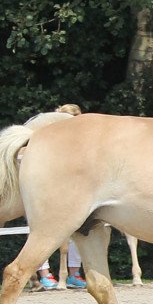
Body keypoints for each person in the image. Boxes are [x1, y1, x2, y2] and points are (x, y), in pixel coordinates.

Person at [37, 103, 87, 290]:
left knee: (78, 229)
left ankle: (74, 273)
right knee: (42, 231)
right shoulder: (51, 139)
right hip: (50, 189)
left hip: (70, 190)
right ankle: (44, 273)